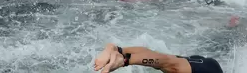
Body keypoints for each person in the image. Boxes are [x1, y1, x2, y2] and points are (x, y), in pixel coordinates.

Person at [93, 43, 223, 73]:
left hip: (198, 62)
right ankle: (124, 59)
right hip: (209, 68)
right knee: (171, 64)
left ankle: (118, 50)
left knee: (161, 59)